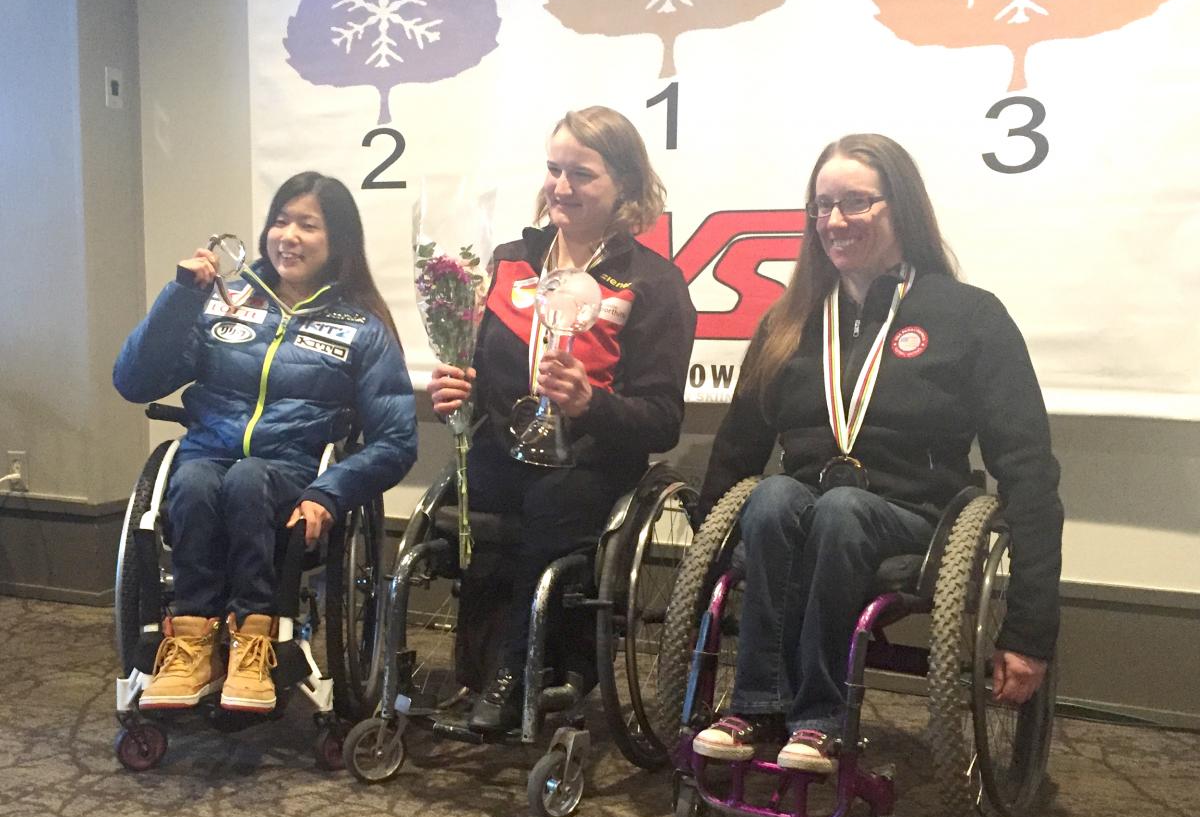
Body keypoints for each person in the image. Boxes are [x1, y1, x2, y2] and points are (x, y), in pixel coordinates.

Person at [692, 134, 1063, 772]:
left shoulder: (970, 317)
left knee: (841, 510)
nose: (835, 221)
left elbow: (1027, 469)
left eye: (857, 203)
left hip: (917, 518)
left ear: (902, 209)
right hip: (801, 514)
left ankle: (819, 720)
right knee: (775, 494)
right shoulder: (790, 320)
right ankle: (756, 706)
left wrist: (1029, 629)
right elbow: (737, 450)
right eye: (823, 206)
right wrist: (703, 567)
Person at [431, 106, 696, 734]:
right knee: (464, 497)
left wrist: (588, 403)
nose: (562, 187)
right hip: (503, 447)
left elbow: (662, 422)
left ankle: (515, 675)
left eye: (583, 175)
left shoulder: (653, 282)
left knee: (551, 499)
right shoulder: (507, 260)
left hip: (589, 461)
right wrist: (459, 387)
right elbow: (480, 366)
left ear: (626, 188)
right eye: (554, 170)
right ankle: (474, 664)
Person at [114, 172, 417, 714]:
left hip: (291, 471)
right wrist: (182, 296)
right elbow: (133, 381)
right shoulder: (220, 302)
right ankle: (192, 643)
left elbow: (395, 440)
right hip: (207, 457)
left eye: (308, 225)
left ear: (338, 241)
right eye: (281, 221)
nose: (289, 236)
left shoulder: (362, 327)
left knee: (249, 477)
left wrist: (329, 494)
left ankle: (257, 641)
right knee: (195, 475)